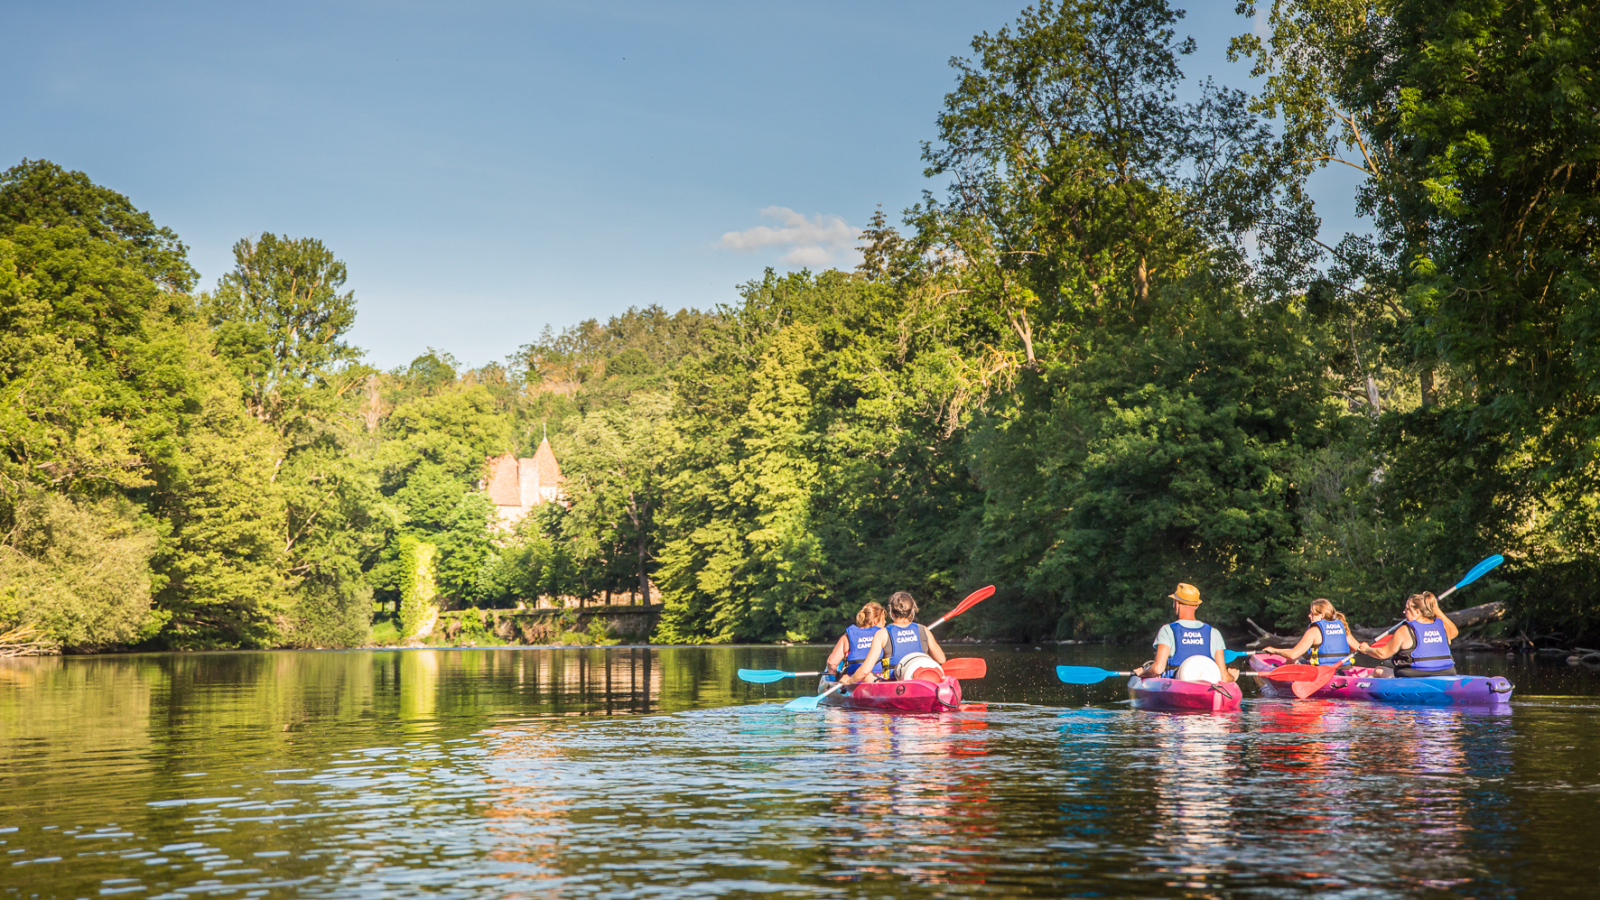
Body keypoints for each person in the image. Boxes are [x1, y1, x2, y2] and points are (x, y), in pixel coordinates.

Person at [1132, 583, 1238, 683]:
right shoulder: (1214, 633)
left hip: (1175, 686)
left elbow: (1158, 669)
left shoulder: (1167, 630)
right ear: (1196, 606)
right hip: (1207, 687)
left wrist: (1143, 673)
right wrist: (1232, 677)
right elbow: (1224, 677)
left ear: (1177, 604)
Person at [844, 591, 947, 683]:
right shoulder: (923, 630)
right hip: (922, 679)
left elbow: (865, 670)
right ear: (912, 611)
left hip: (895, 682)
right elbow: (941, 659)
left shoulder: (882, 633)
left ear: (891, 612)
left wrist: (849, 681)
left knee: (868, 676)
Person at [1355, 591, 1460, 677]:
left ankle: (1359, 690)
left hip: (1415, 675)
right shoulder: (1442, 626)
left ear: (1417, 612)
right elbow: (1454, 632)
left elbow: (1382, 654)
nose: (1404, 612)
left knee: (1378, 670)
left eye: (1407, 609)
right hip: (1446, 672)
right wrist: (1436, 610)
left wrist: (1367, 649)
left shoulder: (1405, 630)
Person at [1257, 598, 1355, 667]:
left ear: (1321, 615)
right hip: (1341, 668)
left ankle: (1287, 680)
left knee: (1293, 659)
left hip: (1320, 670)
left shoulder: (1314, 631)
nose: (1309, 615)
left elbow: (1292, 654)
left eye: (1312, 613)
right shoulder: (1342, 627)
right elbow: (1356, 648)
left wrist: (1274, 651)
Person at [824, 602, 886, 680]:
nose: (885, 622)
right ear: (875, 621)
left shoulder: (847, 637)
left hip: (853, 679)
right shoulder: (884, 635)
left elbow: (832, 663)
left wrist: (837, 676)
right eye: (883, 619)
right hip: (878, 678)